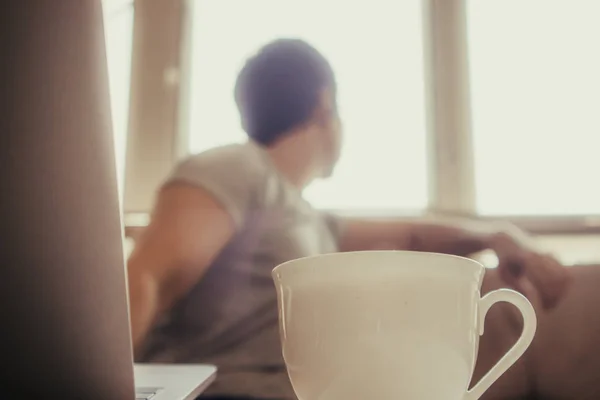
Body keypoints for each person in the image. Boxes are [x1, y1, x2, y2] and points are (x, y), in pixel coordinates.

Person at [127, 39, 571, 399]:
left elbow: (413, 235)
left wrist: (499, 235)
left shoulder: (307, 218)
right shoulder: (237, 167)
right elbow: (147, 278)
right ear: (324, 107)